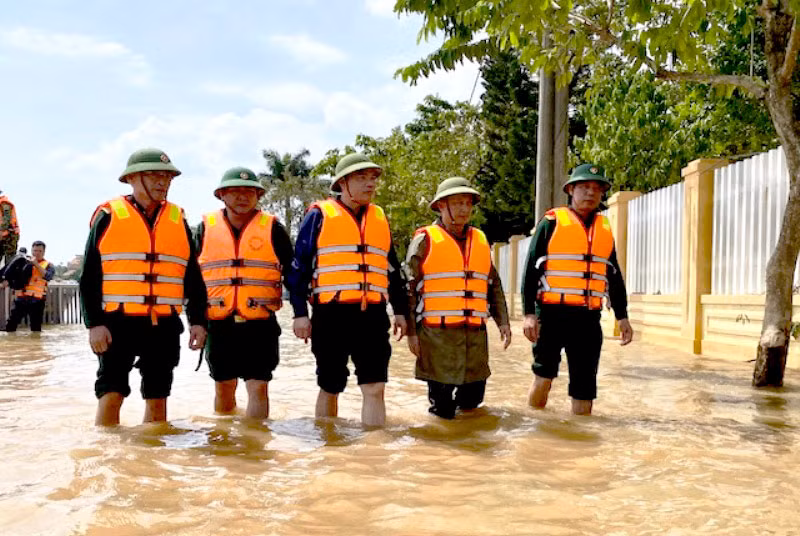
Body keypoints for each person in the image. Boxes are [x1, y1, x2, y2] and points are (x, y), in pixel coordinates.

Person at [79, 148, 207, 426]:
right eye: (154, 175)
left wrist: (198, 320)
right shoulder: (109, 215)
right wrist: (94, 324)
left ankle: (151, 461)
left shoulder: (178, 219)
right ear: (133, 178)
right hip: (116, 321)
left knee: (158, 397)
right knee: (111, 392)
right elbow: (89, 275)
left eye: (167, 176)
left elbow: (192, 276)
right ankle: (106, 456)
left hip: (164, 324)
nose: (163, 182)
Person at [288, 153, 408, 427]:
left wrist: (401, 310)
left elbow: (392, 269)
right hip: (331, 314)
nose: (370, 185)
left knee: (375, 386)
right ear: (342, 183)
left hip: (373, 314)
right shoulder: (318, 215)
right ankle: (328, 448)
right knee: (330, 385)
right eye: (361, 178)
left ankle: (374, 454)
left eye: (372, 179)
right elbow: (299, 268)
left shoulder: (379, 218)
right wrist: (299, 313)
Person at [522, 164, 634, 416]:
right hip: (550, 315)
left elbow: (613, 275)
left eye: (597, 189)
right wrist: (529, 313)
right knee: (544, 375)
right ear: (571, 189)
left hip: (588, 318)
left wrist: (622, 315)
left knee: (585, 387)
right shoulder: (551, 222)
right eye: (584, 187)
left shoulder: (604, 228)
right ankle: (534, 426)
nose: (590, 193)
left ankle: (582, 443)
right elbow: (531, 270)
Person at [404, 177, 512, 419]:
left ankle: (471, 452)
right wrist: (412, 332)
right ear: (441, 206)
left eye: (468, 203)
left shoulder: (481, 240)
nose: (464, 209)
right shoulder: (425, 240)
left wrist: (502, 321)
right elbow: (409, 288)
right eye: (458, 203)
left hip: (474, 338)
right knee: (442, 409)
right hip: (437, 338)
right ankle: (442, 452)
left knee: (473, 401)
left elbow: (492, 284)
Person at [195, 167, 293, 419]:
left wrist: (301, 314)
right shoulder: (204, 229)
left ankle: (256, 448)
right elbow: (192, 280)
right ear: (222, 195)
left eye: (249, 192)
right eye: (236, 192)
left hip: (260, 324)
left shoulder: (273, 228)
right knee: (224, 388)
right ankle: (225, 446)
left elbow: (292, 272)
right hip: (219, 323)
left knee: (258, 388)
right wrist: (196, 322)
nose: (243, 197)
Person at [3, 241, 55, 332]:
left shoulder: (48, 265)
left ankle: (35, 346)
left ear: (44, 252)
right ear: (31, 251)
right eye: (35, 251)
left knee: (35, 329)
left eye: (40, 251)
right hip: (21, 298)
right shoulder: (23, 261)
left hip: (37, 301)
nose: (37, 253)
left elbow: (48, 276)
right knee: (11, 325)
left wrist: (36, 264)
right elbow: (12, 273)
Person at [0, 189, 20, 265]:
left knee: (9, 262)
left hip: (10, 236)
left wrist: (1, 233)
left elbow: (6, 219)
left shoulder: (4, 203)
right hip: (3, 235)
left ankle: (8, 276)